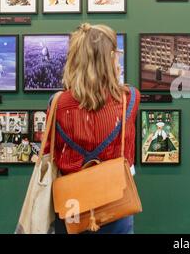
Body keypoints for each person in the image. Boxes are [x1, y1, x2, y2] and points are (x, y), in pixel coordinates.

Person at [44, 23, 141, 234]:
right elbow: (129, 155)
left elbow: (49, 153)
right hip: (116, 200)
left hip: (71, 204)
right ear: (110, 58)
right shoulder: (129, 97)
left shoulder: (57, 102)